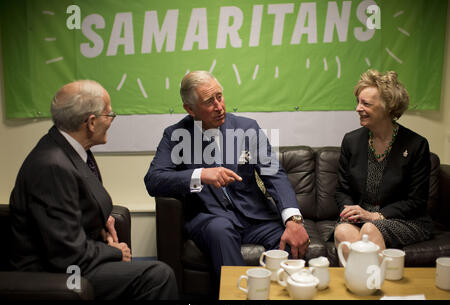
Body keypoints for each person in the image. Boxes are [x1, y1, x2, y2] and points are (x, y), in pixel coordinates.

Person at [9, 80, 178, 300]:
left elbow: (74, 205)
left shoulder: (71, 148)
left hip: (73, 259)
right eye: (109, 115)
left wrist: (99, 220)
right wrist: (116, 252)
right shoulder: (52, 166)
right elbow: (66, 254)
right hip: (57, 272)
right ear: (90, 122)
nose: (111, 120)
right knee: (158, 276)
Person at [144, 71, 310, 283]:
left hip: (255, 217)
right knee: (221, 231)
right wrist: (201, 175)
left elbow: (273, 173)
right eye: (209, 101)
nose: (219, 106)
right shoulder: (175, 135)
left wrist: (293, 219)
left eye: (219, 97)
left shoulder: (247, 127)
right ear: (190, 109)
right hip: (210, 217)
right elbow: (153, 180)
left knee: (288, 241)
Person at [334, 70, 433, 259]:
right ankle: (363, 285)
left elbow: (416, 200)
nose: (358, 108)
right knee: (343, 232)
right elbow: (342, 190)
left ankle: (370, 284)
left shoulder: (416, 145)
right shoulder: (351, 141)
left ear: (389, 107)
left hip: (403, 219)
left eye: (366, 104)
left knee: (370, 230)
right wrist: (350, 211)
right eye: (358, 102)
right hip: (361, 217)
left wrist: (375, 216)